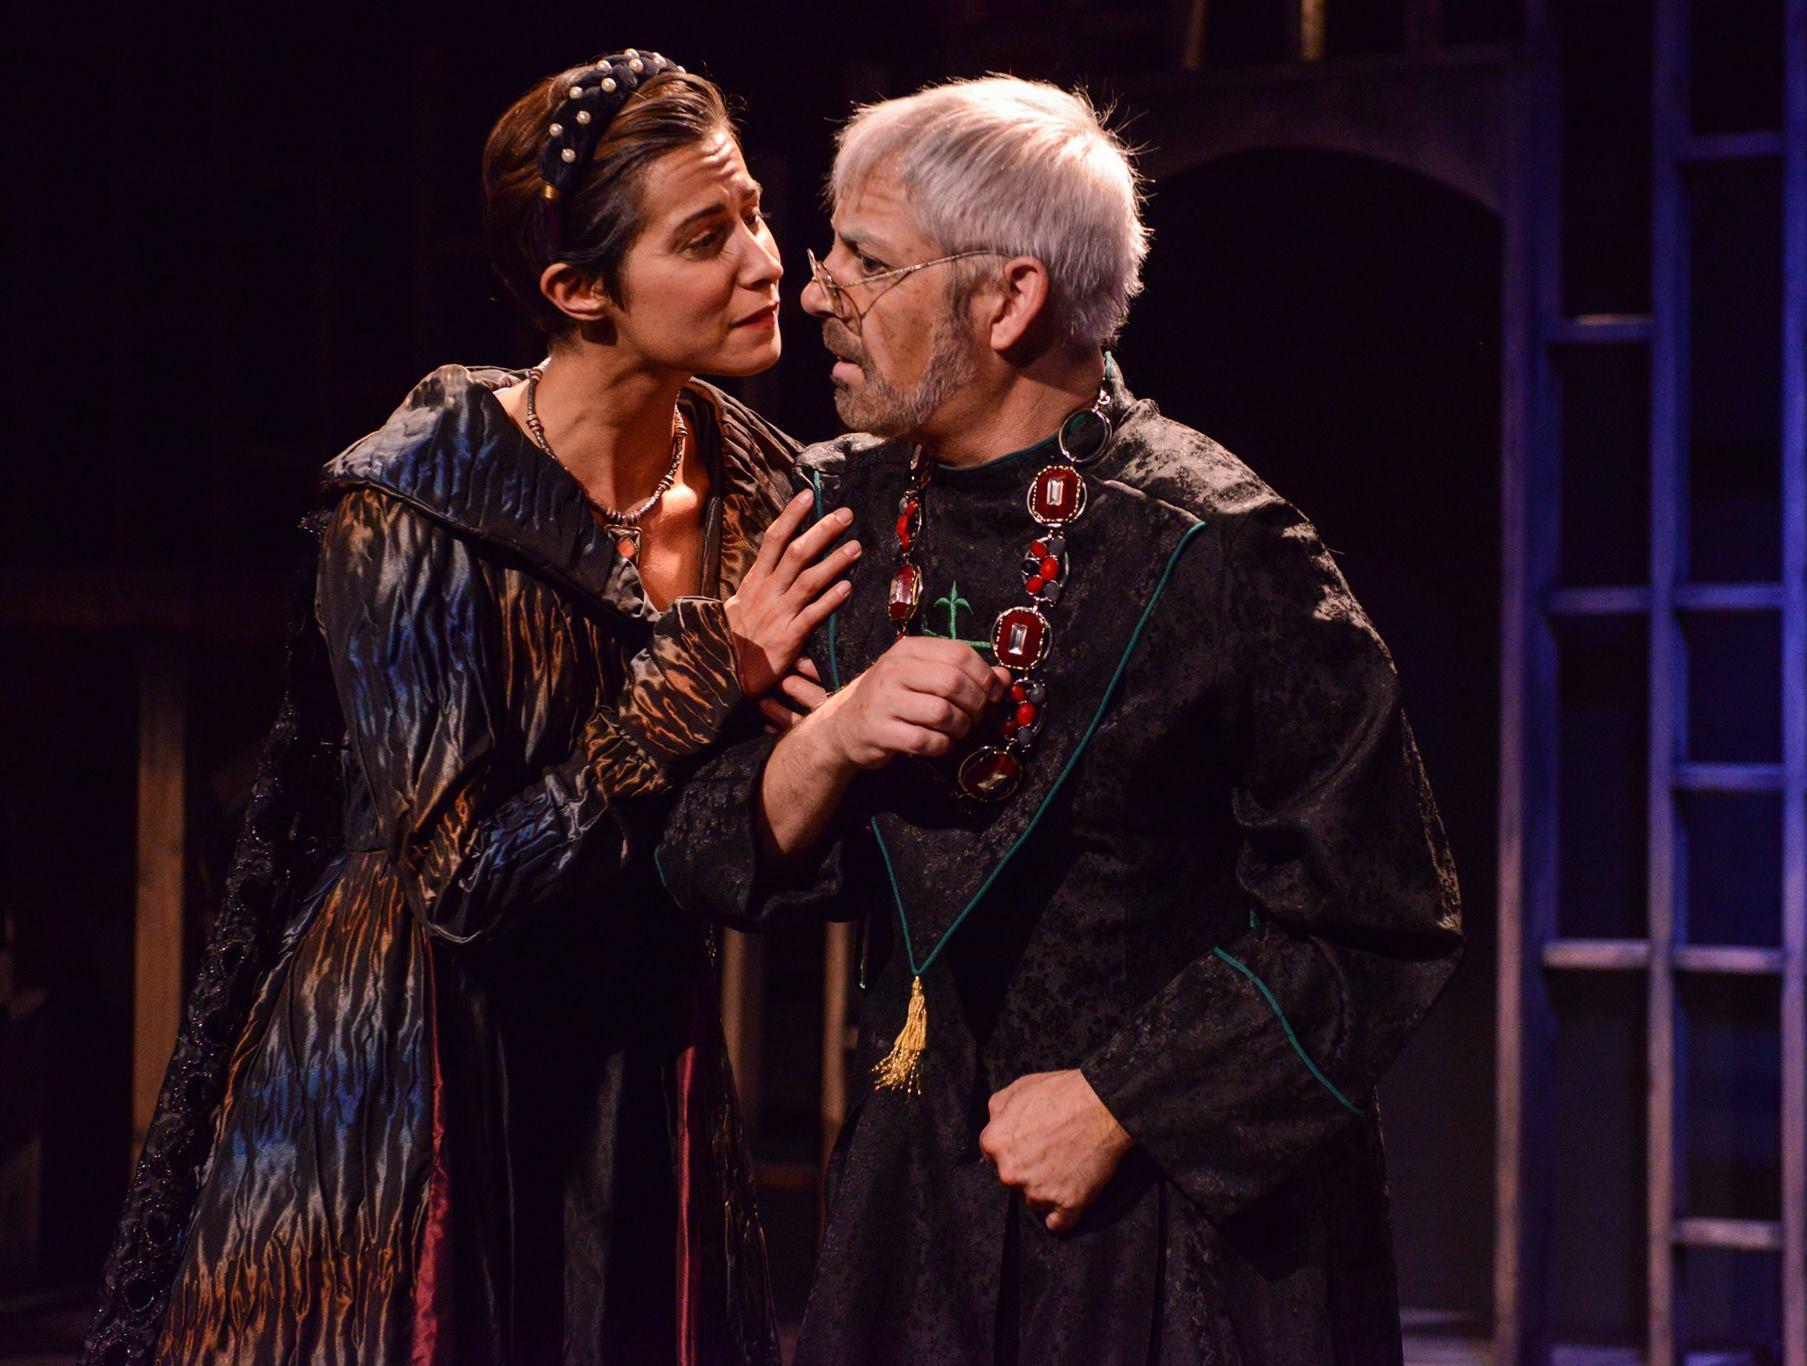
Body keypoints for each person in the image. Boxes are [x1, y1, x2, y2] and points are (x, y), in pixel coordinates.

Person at [661, 75, 1464, 1364]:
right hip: (913, 1200)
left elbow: (1382, 918)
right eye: (827, 256)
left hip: (1160, 1239)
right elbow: (703, 854)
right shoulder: (829, 521)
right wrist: (832, 737)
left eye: (868, 262)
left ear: (1010, 297)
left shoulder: (1218, 547)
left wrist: (1123, 1101)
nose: (817, 295)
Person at [84, 51, 854, 1363]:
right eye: (704, 237)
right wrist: (699, 681)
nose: (765, 259)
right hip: (419, 1083)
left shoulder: (764, 491)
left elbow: (757, 823)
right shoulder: (415, 507)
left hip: (639, 1077)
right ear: (577, 291)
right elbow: (464, 880)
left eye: (755, 212)